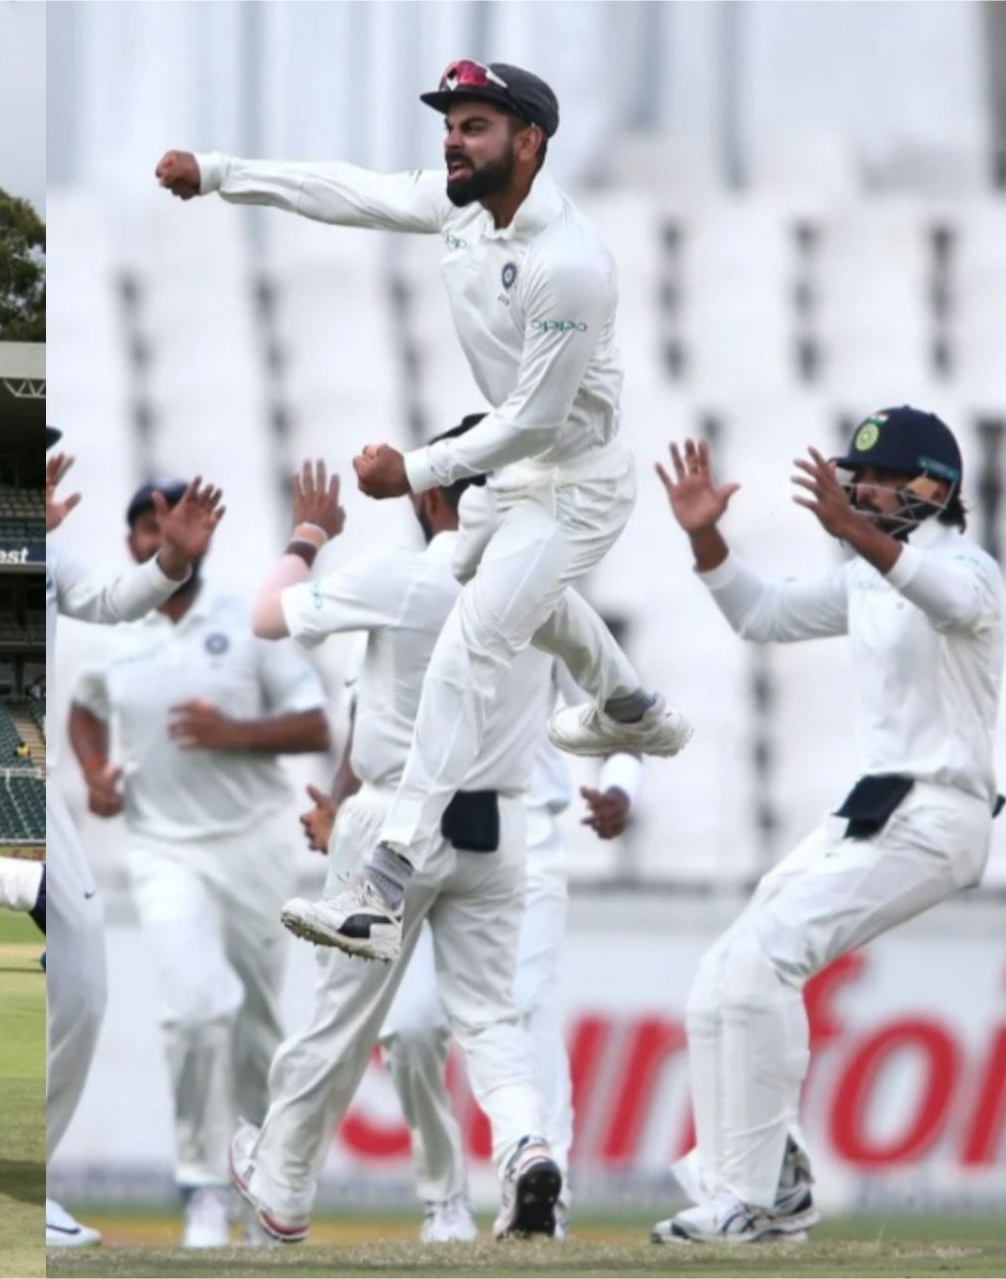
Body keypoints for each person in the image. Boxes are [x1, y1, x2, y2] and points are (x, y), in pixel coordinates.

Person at [155, 60, 690, 966]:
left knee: (470, 644)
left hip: (578, 488)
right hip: (517, 481)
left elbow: (535, 420)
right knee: (503, 596)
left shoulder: (571, 263)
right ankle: (634, 706)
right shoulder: (463, 211)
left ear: (529, 142)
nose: (452, 137)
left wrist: (415, 470)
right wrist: (218, 172)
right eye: (449, 122)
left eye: (474, 125)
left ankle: (382, 882)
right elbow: (348, 190)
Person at [648, 412, 1002, 1244]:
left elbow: (942, 595)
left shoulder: (971, 569)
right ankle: (770, 1181)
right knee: (723, 970)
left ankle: (749, 1199)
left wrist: (854, 532)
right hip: (875, 805)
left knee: (767, 959)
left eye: (880, 478)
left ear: (935, 489)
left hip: (941, 809)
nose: (863, 490)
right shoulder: (868, 577)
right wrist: (708, 542)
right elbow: (761, 616)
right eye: (858, 477)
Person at [235, 430, 562, 1242]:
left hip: (396, 826)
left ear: (430, 494)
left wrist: (306, 535)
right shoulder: (539, 588)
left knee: (341, 1014)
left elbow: (267, 616)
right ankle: (525, 1148)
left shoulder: (411, 575)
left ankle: (283, 1189)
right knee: (489, 1016)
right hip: (496, 825)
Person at [66, 479, 329, 1248]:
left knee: (254, 1027)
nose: (163, 536)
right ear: (131, 545)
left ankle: (264, 1188)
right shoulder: (117, 629)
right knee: (192, 1009)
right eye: (149, 525)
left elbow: (316, 722)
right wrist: (92, 772)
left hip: (253, 840)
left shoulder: (248, 621)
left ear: (204, 533)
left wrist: (232, 733)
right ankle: (202, 1189)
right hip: (163, 847)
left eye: (176, 523)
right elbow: (84, 711)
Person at [375, 656, 642, 1241]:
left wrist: (621, 788)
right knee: (409, 1026)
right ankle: (443, 1199)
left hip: (519, 836)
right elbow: (360, 721)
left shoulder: (547, 594)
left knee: (525, 1009)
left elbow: (626, 715)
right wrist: (341, 807)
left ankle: (546, 1207)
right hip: (408, 839)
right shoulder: (401, 583)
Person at [43, 435, 222, 1249]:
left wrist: (173, 566)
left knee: (82, 987)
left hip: (33, 785)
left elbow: (115, 598)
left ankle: (34, 1179)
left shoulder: (50, 551)